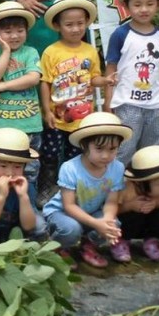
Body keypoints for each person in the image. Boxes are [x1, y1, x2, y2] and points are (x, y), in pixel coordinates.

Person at [39, 0, 115, 196]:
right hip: (57, 117)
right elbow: (45, 83)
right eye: (69, 24)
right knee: (50, 153)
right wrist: (47, 111)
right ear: (58, 26)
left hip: (82, 119)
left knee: (76, 154)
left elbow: (94, 78)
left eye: (80, 23)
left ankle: (71, 188)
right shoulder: (51, 52)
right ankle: (47, 188)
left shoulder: (90, 51)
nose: (75, 29)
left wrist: (105, 81)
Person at [43, 112, 131, 269]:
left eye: (112, 149)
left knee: (114, 223)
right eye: (99, 148)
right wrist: (97, 224)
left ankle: (88, 246)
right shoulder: (70, 168)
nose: (106, 155)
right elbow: (69, 206)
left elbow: (111, 201)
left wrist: (106, 221)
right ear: (84, 145)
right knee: (71, 229)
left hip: (91, 211)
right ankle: (59, 248)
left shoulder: (117, 167)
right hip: (62, 213)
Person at [104, 0, 159, 167]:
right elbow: (111, 69)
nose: (144, 9)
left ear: (158, 5)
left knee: (153, 148)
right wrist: (108, 101)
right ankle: (117, 185)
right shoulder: (121, 34)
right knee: (124, 147)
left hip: (154, 103)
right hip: (127, 102)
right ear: (127, 7)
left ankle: (148, 186)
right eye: (137, 4)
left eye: (150, 4)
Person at [0, 1, 43, 186]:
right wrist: (6, 51)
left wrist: (4, 86)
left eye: (19, 30)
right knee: (2, 166)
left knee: (30, 167)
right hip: (2, 123)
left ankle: (28, 202)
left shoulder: (30, 52)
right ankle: (3, 202)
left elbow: (33, 78)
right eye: (7, 32)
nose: (14, 35)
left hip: (29, 123)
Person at [0, 127, 47, 247]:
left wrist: (23, 197)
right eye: (3, 166)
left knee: (40, 224)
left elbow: (29, 225)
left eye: (17, 167)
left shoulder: (26, 187)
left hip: (17, 231)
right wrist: (1, 196)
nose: (10, 173)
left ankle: (28, 252)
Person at [117, 146, 159, 263]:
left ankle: (152, 242)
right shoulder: (125, 188)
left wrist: (155, 203)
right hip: (131, 222)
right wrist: (130, 206)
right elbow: (113, 210)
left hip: (148, 221)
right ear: (142, 182)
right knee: (129, 218)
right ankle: (121, 242)